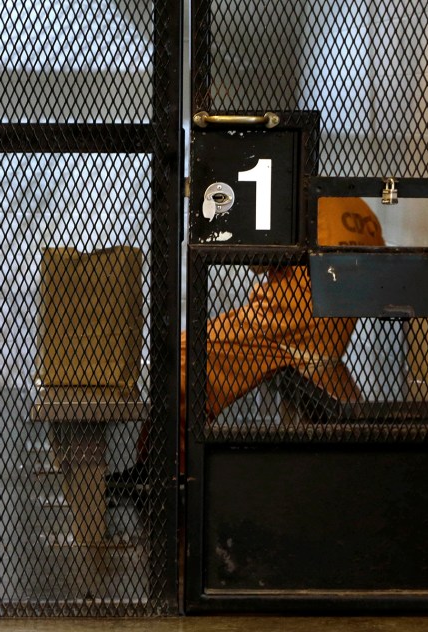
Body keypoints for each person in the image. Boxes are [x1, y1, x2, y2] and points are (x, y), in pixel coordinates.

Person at [110, 197, 385, 490]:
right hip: (332, 333)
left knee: (180, 358)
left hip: (282, 323)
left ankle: (162, 474)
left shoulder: (289, 198)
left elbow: (259, 260)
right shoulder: (357, 207)